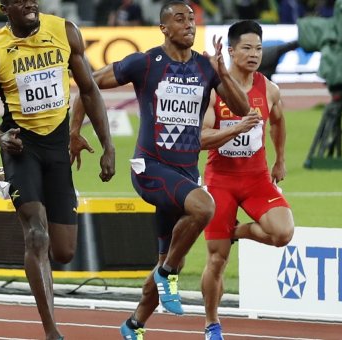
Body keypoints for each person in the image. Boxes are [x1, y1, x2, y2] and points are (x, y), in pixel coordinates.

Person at [69, 1, 250, 339]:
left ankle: (134, 324)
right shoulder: (145, 63)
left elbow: (241, 108)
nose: (189, 25)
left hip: (184, 176)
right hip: (150, 169)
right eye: (179, 19)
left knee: (171, 260)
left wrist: (223, 72)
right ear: (164, 28)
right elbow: (87, 83)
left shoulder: (205, 68)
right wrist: (75, 131)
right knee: (204, 207)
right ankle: (166, 274)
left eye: (192, 19)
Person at [0, 1, 115, 338]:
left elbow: (88, 89)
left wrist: (108, 145)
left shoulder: (64, 31)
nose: (30, 3)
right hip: (22, 147)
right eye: (20, 0)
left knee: (63, 251)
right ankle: (51, 331)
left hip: (57, 147)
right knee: (37, 236)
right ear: (5, 8)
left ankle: (9, 182)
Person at [200, 20, 295, 340]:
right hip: (220, 180)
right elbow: (202, 136)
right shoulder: (214, 90)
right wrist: (235, 129)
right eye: (247, 48)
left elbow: (279, 122)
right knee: (217, 258)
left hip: (256, 178)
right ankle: (212, 323)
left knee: (283, 233)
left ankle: (236, 232)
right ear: (230, 51)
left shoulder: (269, 89)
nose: (254, 54)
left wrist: (280, 159)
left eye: (258, 48)